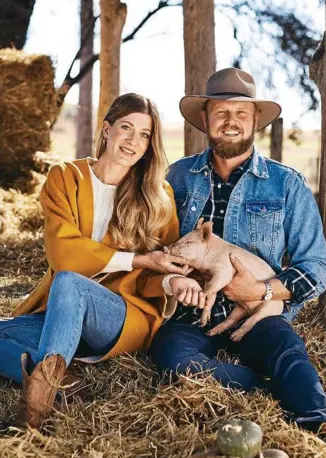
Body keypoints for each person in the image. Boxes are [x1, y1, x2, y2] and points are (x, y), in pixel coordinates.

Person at [150, 68, 326, 434]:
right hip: (191, 312)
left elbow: (317, 265)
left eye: (241, 113)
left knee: (289, 354)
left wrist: (262, 291)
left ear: (255, 120)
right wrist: (173, 278)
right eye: (221, 112)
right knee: (173, 361)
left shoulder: (286, 183)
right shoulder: (177, 178)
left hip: (261, 311)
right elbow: (153, 245)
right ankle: (265, 389)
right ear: (205, 118)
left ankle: (315, 418)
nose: (231, 121)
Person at [0, 93, 190, 431]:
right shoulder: (65, 178)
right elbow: (62, 253)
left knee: (70, 282)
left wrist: (169, 281)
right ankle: (68, 384)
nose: (133, 141)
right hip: (61, 311)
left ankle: (34, 413)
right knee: (65, 285)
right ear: (106, 130)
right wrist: (138, 258)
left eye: (144, 134)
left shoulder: (158, 195)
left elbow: (155, 272)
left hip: (119, 315)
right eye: (126, 128)